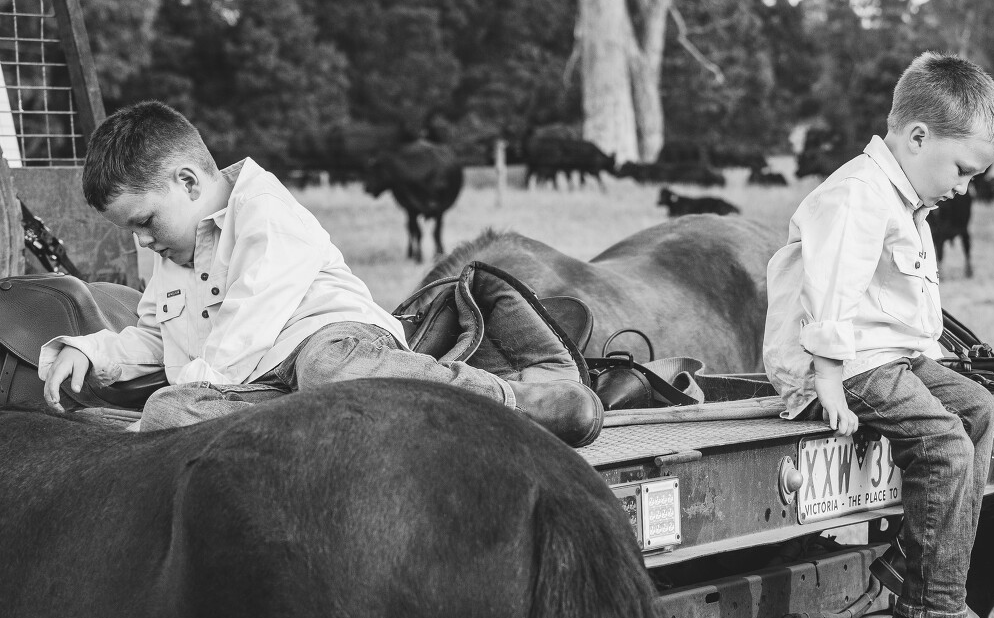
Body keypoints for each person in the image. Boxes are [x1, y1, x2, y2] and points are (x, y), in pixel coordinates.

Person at [37, 101, 601, 442]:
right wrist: (93, 352)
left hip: (326, 339)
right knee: (168, 410)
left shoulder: (264, 213)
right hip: (257, 384)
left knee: (323, 368)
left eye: (144, 222)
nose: (141, 241)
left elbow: (249, 325)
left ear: (187, 182)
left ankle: (512, 400)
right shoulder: (169, 257)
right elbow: (156, 338)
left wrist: (190, 389)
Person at [764, 52, 994, 618]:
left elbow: (902, 311)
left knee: (978, 410)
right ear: (918, 137)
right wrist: (825, 380)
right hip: (845, 366)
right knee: (944, 444)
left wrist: (936, 361)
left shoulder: (906, 202)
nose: (964, 187)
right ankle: (926, 613)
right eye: (962, 170)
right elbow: (831, 289)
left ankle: (916, 566)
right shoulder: (858, 194)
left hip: (889, 359)